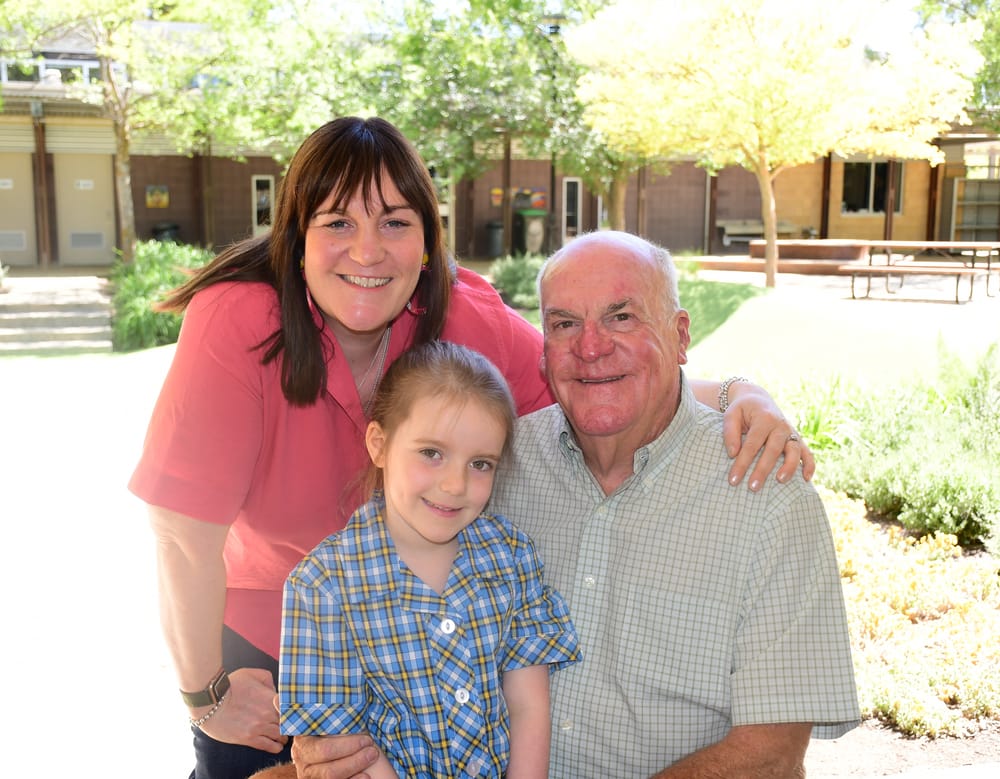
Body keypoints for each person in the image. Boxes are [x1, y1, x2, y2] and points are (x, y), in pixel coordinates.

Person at [129, 116, 811, 779]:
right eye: (338, 221)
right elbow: (182, 535)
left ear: (427, 239)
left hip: (417, 653)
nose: (367, 251)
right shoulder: (241, 321)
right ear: (296, 237)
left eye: (395, 221)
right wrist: (204, 692)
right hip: (278, 652)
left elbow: (590, 374)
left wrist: (738, 393)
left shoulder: (458, 317)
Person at [290, 231, 859, 779]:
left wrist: (743, 389)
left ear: (681, 335)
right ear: (543, 351)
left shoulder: (766, 492)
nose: (591, 347)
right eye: (564, 324)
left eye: (622, 316)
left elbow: (769, 758)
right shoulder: (497, 462)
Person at [279, 340, 579, 779]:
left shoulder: (510, 554)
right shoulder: (322, 584)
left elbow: (529, 703)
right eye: (432, 453)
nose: (456, 484)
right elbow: (347, 747)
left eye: (480, 463)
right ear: (379, 444)